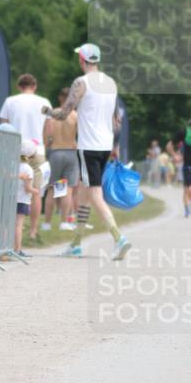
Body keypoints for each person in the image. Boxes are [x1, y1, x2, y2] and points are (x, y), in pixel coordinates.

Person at [44, 43, 131, 261]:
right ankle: (76, 244)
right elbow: (116, 120)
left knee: (94, 193)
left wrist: (46, 111)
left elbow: (64, 113)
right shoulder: (110, 83)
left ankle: (119, 238)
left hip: (88, 146)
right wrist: (116, 146)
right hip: (104, 145)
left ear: (82, 60)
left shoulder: (80, 83)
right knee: (83, 195)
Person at [0, 74, 51, 241]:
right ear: (34, 86)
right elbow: (49, 127)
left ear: (19, 86)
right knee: (36, 192)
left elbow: (4, 125)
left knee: (10, 189)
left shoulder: (11, 101)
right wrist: (43, 143)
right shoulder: (44, 102)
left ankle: (10, 229)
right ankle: (33, 230)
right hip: (37, 150)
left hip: (15, 149)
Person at [42, 87, 78, 231]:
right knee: (67, 189)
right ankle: (64, 222)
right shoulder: (75, 115)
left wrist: (45, 149)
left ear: (60, 98)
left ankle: (47, 223)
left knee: (52, 189)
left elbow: (47, 133)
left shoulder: (53, 114)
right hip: (70, 152)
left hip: (55, 152)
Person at [15, 139, 36, 257]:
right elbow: (28, 188)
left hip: (11, 198)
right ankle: (17, 249)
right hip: (22, 200)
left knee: (9, 225)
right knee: (19, 225)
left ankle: (6, 248)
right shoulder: (28, 169)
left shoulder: (13, 165)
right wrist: (35, 191)